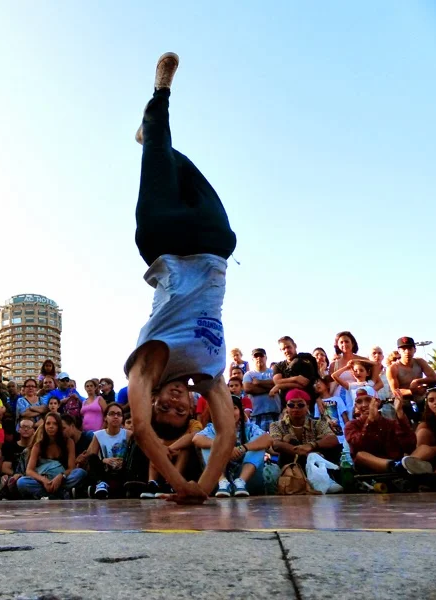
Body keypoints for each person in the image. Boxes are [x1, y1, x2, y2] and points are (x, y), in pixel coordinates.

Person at [125, 53, 236, 505]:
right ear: (193, 407)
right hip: (214, 245)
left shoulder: (145, 364)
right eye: (180, 409)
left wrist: (178, 485)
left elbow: (140, 431)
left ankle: (160, 95)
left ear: (154, 401)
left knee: (155, 156)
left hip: (163, 239)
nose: (172, 402)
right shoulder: (209, 370)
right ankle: (153, 134)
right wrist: (202, 488)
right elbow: (226, 432)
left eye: (163, 408)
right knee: (183, 166)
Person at [193, 395, 271, 497]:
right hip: (218, 481)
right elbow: (197, 439)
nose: (230, 412)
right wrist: (224, 448)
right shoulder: (213, 428)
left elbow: (267, 439)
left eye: (234, 408)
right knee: (206, 445)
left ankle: (241, 482)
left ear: (240, 412)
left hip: (248, 481)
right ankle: (223, 482)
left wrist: (243, 448)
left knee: (258, 444)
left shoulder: (250, 428)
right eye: (226, 408)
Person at [345, 387, 431, 475]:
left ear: (377, 402)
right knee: (361, 455)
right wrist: (370, 420)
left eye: (368, 400)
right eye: (359, 402)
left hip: (396, 460)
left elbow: (409, 445)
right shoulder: (352, 425)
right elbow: (360, 445)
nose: (364, 405)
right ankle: (399, 467)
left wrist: (400, 413)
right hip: (371, 467)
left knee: (424, 449)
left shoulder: (390, 423)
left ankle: (404, 466)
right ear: (356, 407)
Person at [17, 412, 87, 499]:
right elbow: (29, 471)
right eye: (48, 423)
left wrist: (61, 476)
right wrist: (44, 481)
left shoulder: (68, 442)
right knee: (22, 482)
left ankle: (50, 495)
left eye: (55, 424)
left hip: (62, 479)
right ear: (44, 426)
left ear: (59, 426)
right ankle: (58, 495)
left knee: (80, 473)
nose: (51, 426)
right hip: (44, 479)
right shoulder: (38, 445)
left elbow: (71, 468)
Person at [269, 389, 340, 466]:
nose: (295, 408)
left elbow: (333, 439)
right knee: (286, 444)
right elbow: (275, 444)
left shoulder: (318, 423)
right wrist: (304, 453)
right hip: (290, 466)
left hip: (315, 465)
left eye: (300, 405)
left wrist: (311, 445)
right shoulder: (276, 425)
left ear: (307, 407)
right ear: (286, 407)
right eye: (291, 405)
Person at [81, 403, 131, 498]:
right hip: (106, 470)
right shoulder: (98, 435)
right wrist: (104, 460)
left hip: (123, 470)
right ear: (105, 417)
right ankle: (101, 484)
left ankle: (102, 490)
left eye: (119, 414)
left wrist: (124, 462)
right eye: (112, 414)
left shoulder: (128, 434)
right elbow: (91, 457)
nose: (115, 417)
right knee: (92, 458)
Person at [387, 337, 436, 425]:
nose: (407, 351)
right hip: (404, 404)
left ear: (414, 350)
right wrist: (413, 391)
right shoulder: (393, 368)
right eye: (404, 349)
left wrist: (417, 381)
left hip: (421, 400)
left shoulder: (419, 362)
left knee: (431, 423)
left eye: (410, 348)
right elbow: (396, 391)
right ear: (399, 351)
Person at [271, 336, 319, 409]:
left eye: (288, 347)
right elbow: (277, 381)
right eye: (283, 349)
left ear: (295, 346)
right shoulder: (278, 366)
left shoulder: (305, 359)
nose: (286, 350)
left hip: (307, 407)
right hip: (287, 408)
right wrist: (295, 379)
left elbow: (305, 383)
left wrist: (280, 386)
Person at [0, 418, 36, 500]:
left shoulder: (37, 447)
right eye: (23, 427)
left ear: (34, 431)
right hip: (13, 477)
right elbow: (5, 468)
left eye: (29, 427)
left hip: (30, 478)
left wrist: (22, 475)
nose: (26, 429)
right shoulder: (10, 446)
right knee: (6, 479)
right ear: (19, 429)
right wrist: (16, 475)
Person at [243, 348, 279, 431]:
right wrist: (272, 388)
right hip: (256, 415)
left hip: (275, 414)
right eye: (256, 356)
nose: (259, 358)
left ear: (266, 357)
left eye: (261, 356)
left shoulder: (274, 372)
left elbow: (278, 384)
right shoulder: (248, 374)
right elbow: (248, 388)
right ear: (252, 359)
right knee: (259, 442)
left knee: (276, 441)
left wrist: (258, 382)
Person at [412, 386, 436, 472]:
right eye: (431, 400)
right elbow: (413, 444)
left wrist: (431, 450)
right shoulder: (426, 423)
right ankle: (407, 466)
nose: (435, 403)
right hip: (432, 459)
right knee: (423, 432)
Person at [313, 376, 349, 443]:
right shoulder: (317, 404)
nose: (317, 384)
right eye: (314, 384)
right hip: (327, 438)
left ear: (327, 385)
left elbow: (344, 416)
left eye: (319, 382)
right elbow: (317, 420)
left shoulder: (337, 399)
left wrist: (349, 431)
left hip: (342, 437)